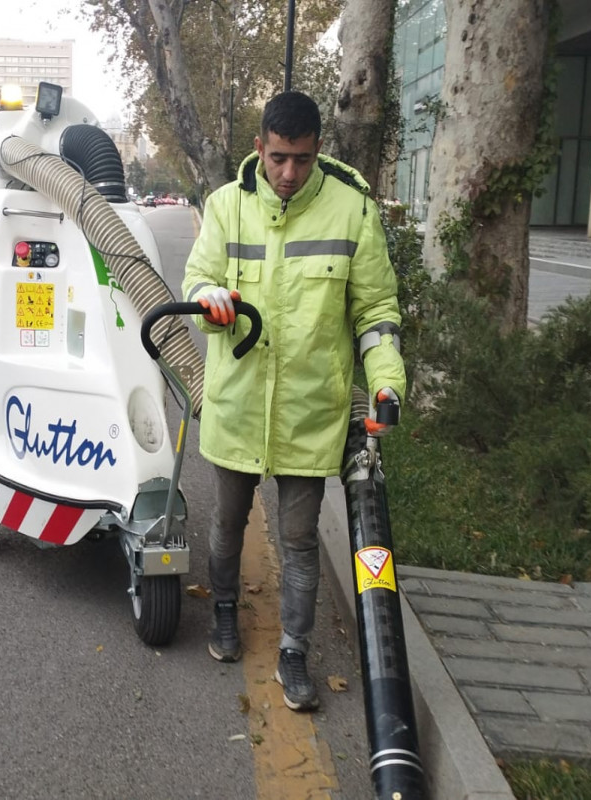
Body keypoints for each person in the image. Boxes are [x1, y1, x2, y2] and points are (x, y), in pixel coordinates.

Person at [181, 91, 406, 712]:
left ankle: (293, 650)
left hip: (310, 414)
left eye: (303, 160)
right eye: (279, 158)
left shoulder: (351, 213)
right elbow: (195, 281)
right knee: (227, 526)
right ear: (259, 148)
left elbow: (376, 312)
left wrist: (386, 381)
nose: (288, 174)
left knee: (299, 539)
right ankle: (225, 611)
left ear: (317, 150)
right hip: (238, 405)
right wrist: (210, 300)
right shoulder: (226, 208)